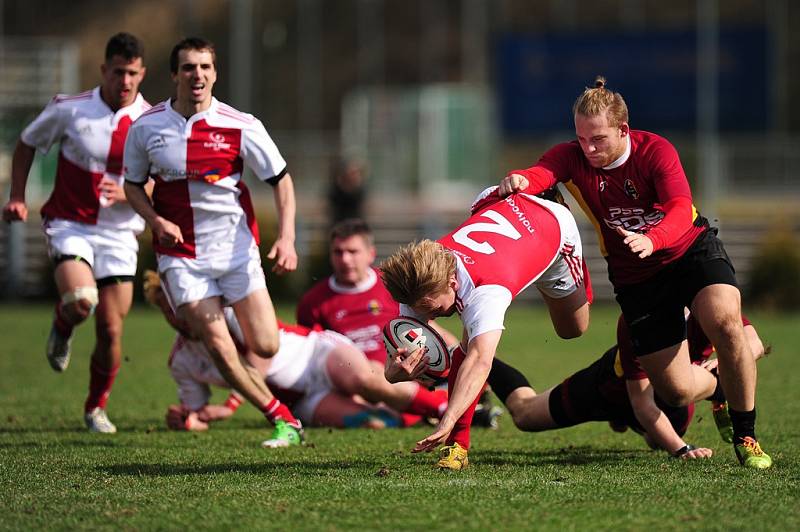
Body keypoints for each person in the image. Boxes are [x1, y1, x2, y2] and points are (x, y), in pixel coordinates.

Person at [498, 76, 771, 469]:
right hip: (636, 278)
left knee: (726, 320)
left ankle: (747, 436)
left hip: (688, 250)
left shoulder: (655, 151)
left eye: (599, 139)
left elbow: (680, 207)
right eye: (582, 139)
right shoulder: (573, 156)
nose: (588, 149)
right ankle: (720, 390)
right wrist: (522, 179)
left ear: (623, 130)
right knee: (675, 392)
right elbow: (544, 171)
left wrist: (653, 239)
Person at [123, 37, 303, 447]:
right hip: (182, 256)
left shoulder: (241, 125)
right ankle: (284, 420)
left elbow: (281, 180)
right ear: (175, 75)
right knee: (220, 346)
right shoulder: (147, 127)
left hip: (237, 253)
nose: (197, 75)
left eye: (204, 67)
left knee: (266, 343)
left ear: (215, 73)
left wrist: (288, 237)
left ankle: (218, 354)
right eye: (188, 67)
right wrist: (155, 220)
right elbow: (132, 186)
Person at [380, 185, 591, 470]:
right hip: (498, 207)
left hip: (552, 226)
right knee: (468, 347)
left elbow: (481, 362)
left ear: (453, 283)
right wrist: (391, 374)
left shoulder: (487, 293)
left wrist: (448, 416)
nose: (429, 316)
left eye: (433, 309)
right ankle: (457, 447)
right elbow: (404, 344)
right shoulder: (421, 279)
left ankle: (541, 261)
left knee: (573, 328)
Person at [2, 33, 150, 433]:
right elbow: (27, 142)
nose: (125, 81)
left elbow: (164, 181)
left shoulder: (154, 120)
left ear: (143, 74)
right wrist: (17, 196)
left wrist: (132, 192)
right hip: (71, 223)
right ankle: (63, 324)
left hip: (120, 233)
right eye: (118, 71)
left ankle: (95, 407)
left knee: (111, 328)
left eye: (133, 73)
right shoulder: (71, 109)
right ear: (104, 70)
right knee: (82, 300)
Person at [142, 270, 447, 432]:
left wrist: (231, 406)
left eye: (182, 306)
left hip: (316, 354)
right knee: (372, 423)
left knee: (365, 383)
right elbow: (197, 407)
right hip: (300, 399)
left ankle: (446, 409)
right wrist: (189, 420)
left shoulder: (230, 315)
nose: (178, 315)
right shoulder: (181, 360)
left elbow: (261, 358)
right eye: (168, 310)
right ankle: (415, 417)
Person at [296, 218, 502, 428]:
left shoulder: (391, 286)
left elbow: (427, 324)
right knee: (371, 409)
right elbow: (315, 355)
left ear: (371, 254)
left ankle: (460, 394)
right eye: (338, 252)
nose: (345, 259)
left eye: (353, 251)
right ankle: (443, 408)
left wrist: (460, 359)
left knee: (446, 341)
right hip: (359, 381)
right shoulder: (313, 301)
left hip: (409, 373)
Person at [485, 313, 767, 460]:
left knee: (661, 434)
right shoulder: (640, 314)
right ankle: (477, 356)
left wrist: (721, 363)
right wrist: (683, 450)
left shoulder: (707, 300)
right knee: (524, 415)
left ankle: (718, 391)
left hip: (673, 398)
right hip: (612, 388)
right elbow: (641, 403)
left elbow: (753, 344)